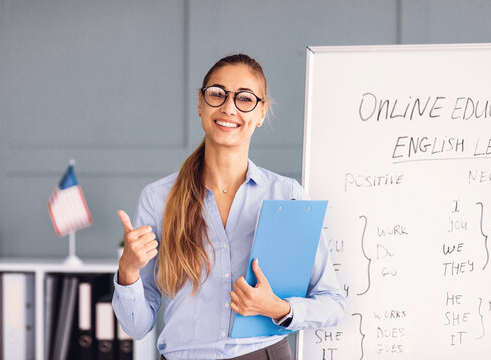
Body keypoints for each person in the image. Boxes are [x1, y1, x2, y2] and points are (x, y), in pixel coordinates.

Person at [112, 54, 344, 360]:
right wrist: (127, 270)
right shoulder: (158, 199)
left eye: (245, 98)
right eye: (217, 94)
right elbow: (137, 326)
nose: (229, 107)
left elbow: (333, 303)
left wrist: (277, 308)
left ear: (261, 112)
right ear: (200, 103)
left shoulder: (286, 195)